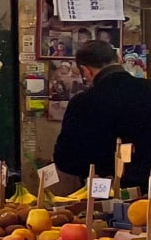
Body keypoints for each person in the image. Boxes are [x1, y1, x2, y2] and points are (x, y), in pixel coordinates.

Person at [53, 40, 151, 191]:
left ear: (86, 71)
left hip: (106, 192)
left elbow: (66, 158)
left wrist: (95, 168)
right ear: (119, 58)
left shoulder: (83, 102)